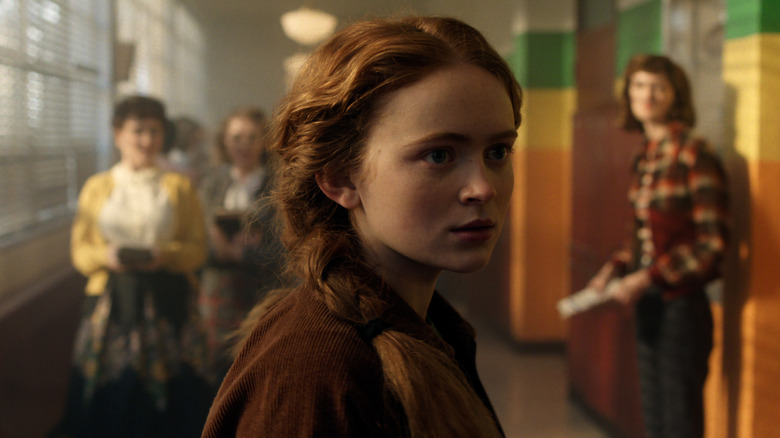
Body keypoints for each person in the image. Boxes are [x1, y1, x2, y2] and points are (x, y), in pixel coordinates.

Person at [201, 16, 522, 438]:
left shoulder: (425, 324)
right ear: (339, 178)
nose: (483, 188)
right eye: (439, 155)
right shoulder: (317, 369)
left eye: (497, 151)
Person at [587, 55, 728, 438]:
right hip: (648, 301)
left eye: (658, 86)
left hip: (682, 305)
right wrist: (615, 267)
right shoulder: (644, 155)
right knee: (654, 415)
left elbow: (712, 244)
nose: (646, 94)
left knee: (679, 419)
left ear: (673, 95)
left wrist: (646, 276)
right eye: (638, 85)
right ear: (628, 93)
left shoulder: (693, 153)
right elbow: (642, 235)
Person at [56, 95, 213, 437]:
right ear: (117, 134)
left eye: (154, 131)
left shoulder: (180, 186)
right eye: (138, 130)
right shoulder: (97, 187)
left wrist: (165, 254)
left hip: (169, 301)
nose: (146, 140)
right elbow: (80, 253)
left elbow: (197, 250)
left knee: (176, 402)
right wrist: (107, 257)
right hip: (112, 304)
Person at [197, 106, 284, 384]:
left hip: (263, 290)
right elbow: (195, 237)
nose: (243, 145)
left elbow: (287, 248)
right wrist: (218, 247)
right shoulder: (212, 184)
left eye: (251, 137)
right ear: (224, 141)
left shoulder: (278, 185)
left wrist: (247, 251)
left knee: (258, 368)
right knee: (217, 373)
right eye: (236, 137)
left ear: (265, 141)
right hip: (218, 291)